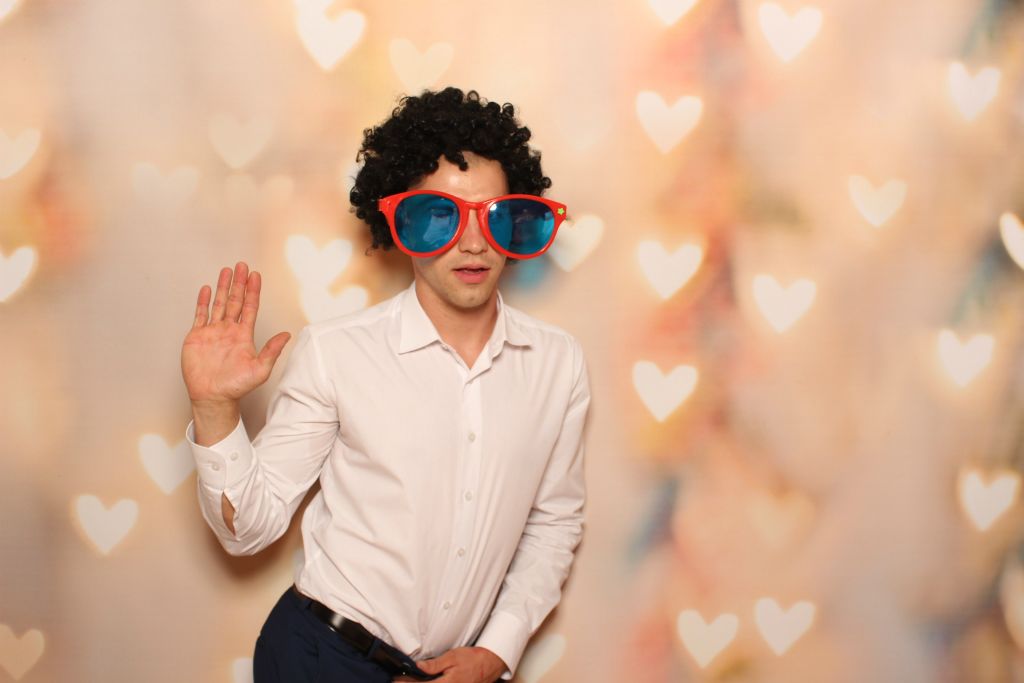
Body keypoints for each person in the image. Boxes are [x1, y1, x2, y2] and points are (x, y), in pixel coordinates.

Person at [181, 87, 591, 683]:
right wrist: (214, 408)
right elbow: (249, 531)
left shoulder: (558, 364)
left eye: (494, 215)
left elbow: (554, 523)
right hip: (319, 657)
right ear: (399, 225)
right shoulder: (335, 353)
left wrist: (495, 653)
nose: (473, 242)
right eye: (440, 214)